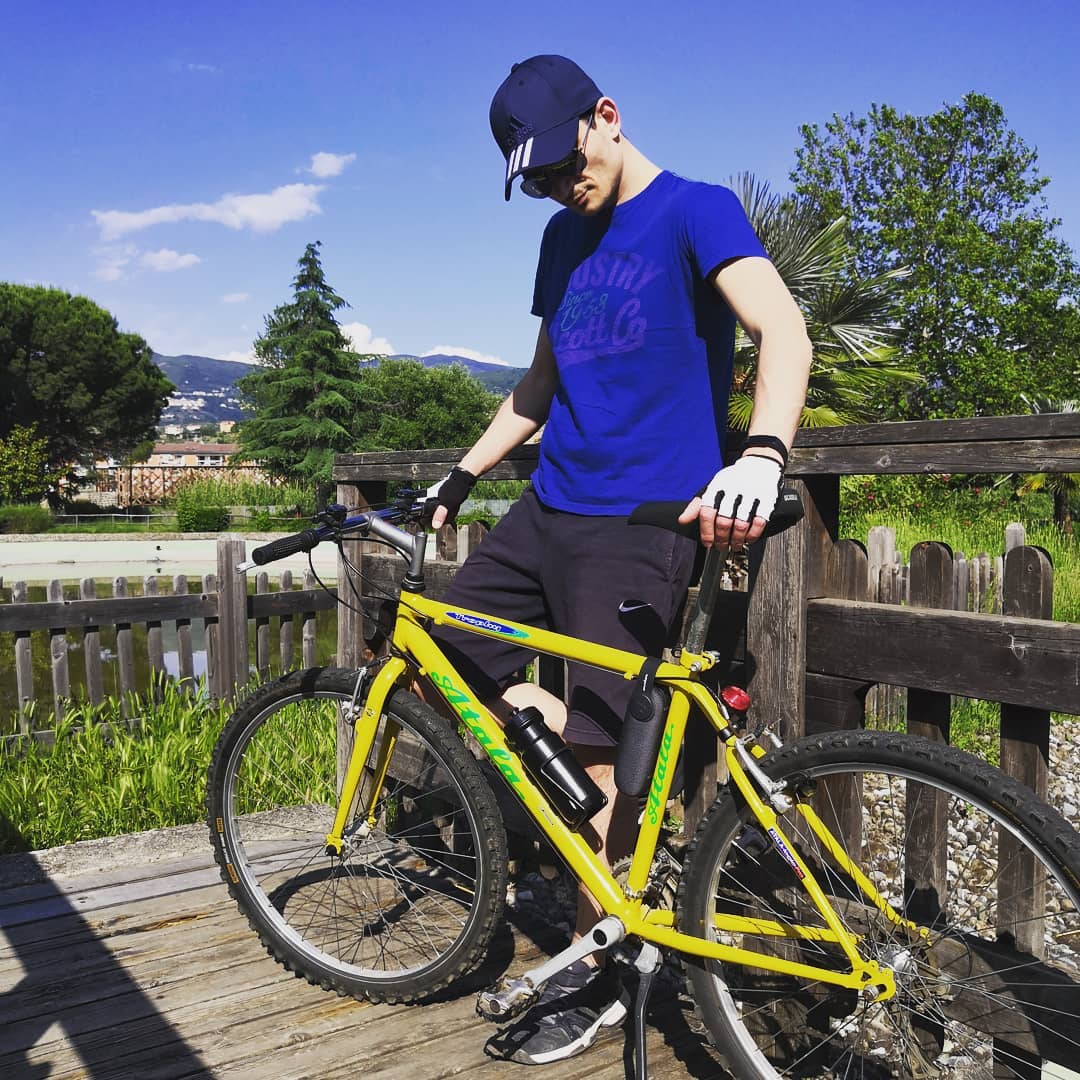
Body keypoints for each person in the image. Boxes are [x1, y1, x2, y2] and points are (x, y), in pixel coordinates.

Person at [426, 54, 812, 1065]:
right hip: (545, 509)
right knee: (443, 656)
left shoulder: (694, 209)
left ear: (607, 116)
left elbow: (783, 328)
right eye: (540, 180)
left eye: (567, 163)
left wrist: (761, 455)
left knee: (602, 757)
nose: (562, 186)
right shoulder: (562, 237)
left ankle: (601, 967)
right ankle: (567, 761)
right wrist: (459, 478)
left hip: (640, 525)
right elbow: (539, 383)